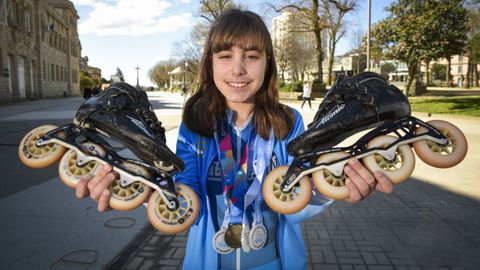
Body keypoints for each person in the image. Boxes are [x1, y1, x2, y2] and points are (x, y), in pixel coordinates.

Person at [74, 9, 393, 270]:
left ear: (267, 64)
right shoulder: (194, 124)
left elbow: (295, 200)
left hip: (278, 262)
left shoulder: (288, 122)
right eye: (225, 55)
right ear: (209, 63)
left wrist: (330, 188)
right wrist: (145, 190)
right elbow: (189, 199)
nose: (238, 69)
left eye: (252, 56)